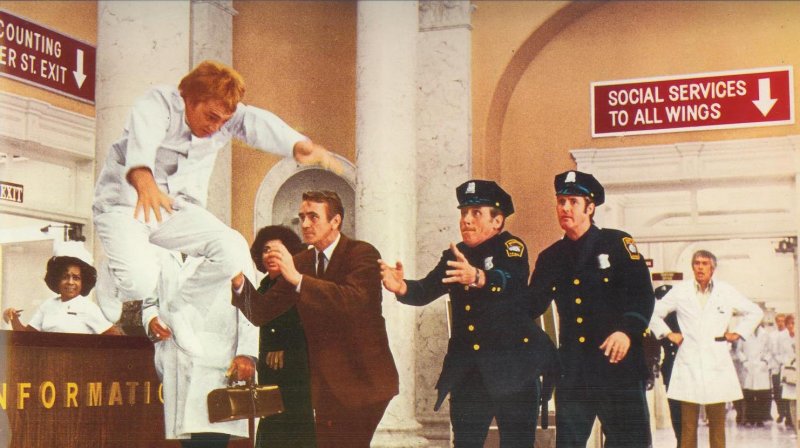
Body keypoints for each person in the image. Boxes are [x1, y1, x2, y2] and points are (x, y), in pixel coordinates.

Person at [92, 60, 339, 355]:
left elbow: (256, 123)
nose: (215, 127)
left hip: (173, 209)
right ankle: (111, 270)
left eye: (223, 121)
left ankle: (180, 308)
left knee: (232, 247)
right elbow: (142, 141)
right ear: (188, 99)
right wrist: (143, 179)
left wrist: (297, 145)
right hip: (124, 205)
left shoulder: (224, 115)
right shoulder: (159, 103)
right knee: (139, 284)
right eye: (211, 117)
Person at [379, 180, 557, 448]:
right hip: (469, 372)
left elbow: (512, 279)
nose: (466, 220)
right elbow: (426, 290)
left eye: (476, 213)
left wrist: (478, 277)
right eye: (463, 213)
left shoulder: (511, 247)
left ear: (497, 221)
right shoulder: (455, 254)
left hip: (514, 370)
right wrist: (402, 287)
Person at [231, 190, 398, 448]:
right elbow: (262, 312)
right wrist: (239, 284)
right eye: (302, 217)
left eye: (313, 216)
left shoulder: (362, 253)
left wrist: (298, 280)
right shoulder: (302, 261)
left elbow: (351, 302)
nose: (305, 224)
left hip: (364, 381)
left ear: (335, 221)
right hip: (325, 384)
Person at [526, 170, 655, 447]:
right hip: (574, 370)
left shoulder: (617, 244)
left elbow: (642, 294)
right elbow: (530, 307)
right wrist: (484, 281)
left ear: (590, 207)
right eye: (561, 202)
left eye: (573, 201)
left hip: (618, 367)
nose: (565, 208)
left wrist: (627, 331)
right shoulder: (551, 258)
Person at [143, 249, 258, 448]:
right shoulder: (161, 249)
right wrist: (151, 319)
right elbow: (149, 303)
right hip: (176, 359)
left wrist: (246, 353)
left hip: (217, 360)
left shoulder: (228, 245)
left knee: (212, 436)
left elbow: (249, 302)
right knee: (188, 439)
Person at [649, 249, 763, 448]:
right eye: (696, 263)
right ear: (692, 267)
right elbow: (652, 312)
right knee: (688, 426)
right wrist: (668, 334)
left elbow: (755, 312)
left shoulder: (726, 291)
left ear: (713, 268)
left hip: (716, 361)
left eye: (704, 263)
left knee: (717, 424)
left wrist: (737, 333)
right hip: (689, 360)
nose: (700, 267)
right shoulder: (681, 291)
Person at [249, 226, 315, 448]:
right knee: (271, 423)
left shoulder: (298, 283)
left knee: (294, 426)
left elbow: (309, 321)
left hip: (296, 370)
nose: (270, 255)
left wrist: (284, 344)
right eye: (266, 250)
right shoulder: (263, 286)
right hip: (269, 371)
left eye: (278, 250)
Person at [3, 241, 120, 335]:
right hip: (49, 356)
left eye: (76, 278)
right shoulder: (48, 305)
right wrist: (13, 318)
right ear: (57, 279)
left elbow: (114, 336)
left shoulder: (88, 308)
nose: (70, 282)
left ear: (83, 282)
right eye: (65, 277)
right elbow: (27, 337)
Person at [653, 284, 682, 446]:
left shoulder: (682, 317)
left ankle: (684, 440)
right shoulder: (657, 320)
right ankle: (681, 439)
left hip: (684, 365)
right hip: (670, 367)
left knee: (683, 408)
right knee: (675, 406)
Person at [734, 318, 771, 426]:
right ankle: (750, 418)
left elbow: (770, 351)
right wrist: (744, 361)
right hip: (748, 366)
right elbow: (738, 351)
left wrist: (764, 361)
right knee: (749, 394)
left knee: (761, 394)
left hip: (761, 367)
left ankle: (759, 419)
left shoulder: (765, 334)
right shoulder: (744, 334)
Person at [769, 313, 791, 425]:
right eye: (779, 321)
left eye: (783, 321)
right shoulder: (772, 335)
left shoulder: (789, 334)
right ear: (776, 322)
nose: (781, 323)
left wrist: (785, 361)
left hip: (787, 366)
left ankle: (789, 416)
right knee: (777, 392)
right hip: (776, 366)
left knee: (786, 392)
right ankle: (781, 413)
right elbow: (771, 351)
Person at [779, 314, 796, 431]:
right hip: (789, 370)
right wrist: (787, 361)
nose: (790, 326)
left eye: (793, 323)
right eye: (788, 324)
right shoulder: (782, 337)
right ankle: (795, 427)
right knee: (791, 400)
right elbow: (779, 353)